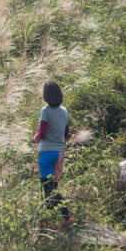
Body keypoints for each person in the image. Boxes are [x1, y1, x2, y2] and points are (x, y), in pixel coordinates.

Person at [33, 79, 72, 224]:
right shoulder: (64, 111)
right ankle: (49, 220)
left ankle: (66, 217)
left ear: (46, 95)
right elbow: (66, 133)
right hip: (60, 153)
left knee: (48, 189)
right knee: (53, 187)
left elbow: (42, 133)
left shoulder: (45, 111)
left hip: (47, 154)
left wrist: (36, 136)